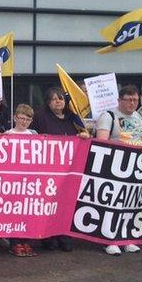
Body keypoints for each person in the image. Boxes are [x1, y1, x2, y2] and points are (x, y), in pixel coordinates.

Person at [95, 85, 142, 256]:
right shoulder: (109, 116)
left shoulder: (139, 117)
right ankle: (110, 240)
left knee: (131, 203)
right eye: (128, 100)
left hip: (136, 168)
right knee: (112, 205)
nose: (132, 103)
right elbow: (101, 140)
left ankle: (126, 237)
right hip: (114, 168)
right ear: (119, 100)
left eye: (135, 100)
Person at [31, 87, 89, 253]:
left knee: (66, 203)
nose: (58, 101)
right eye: (53, 99)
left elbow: (85, 134)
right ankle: (48, 236)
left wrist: (83, 136)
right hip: (48, 169)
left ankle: (64, 235)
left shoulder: (73, 118)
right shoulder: (40, 117)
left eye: (60, 98)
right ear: (47, 102)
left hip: (69, 170)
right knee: (48, 203)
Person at [5, 104, 39, 257]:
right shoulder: (7, 134)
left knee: (27, 211)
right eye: (21, 118)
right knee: (13, 212)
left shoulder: (33, 135)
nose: (24, 122)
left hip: (29, 179)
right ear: (15, 118)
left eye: (28, 119)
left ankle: (26, 241)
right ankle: (14, 242)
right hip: (12, 179)